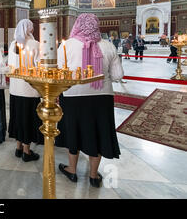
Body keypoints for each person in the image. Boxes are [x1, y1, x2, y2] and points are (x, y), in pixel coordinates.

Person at [55, 14, 124, 188]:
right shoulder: (108, 46)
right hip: (102, 98)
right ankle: (93, 175)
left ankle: (72, 169)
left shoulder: (66, 46)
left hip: (72, 96)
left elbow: (59, 74)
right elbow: (118, 76)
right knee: (98, 133)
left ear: (77, 25)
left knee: (73, 131)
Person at [7, 19, 43, 161]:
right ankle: (27, 152)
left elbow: (10, 64)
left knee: (18, 117)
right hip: (29, 89)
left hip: (15, 88)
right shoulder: (35, 44)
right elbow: (40, 66)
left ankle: (18, 147)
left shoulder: (12, 44)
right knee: (28, 119)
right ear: (29, 29)